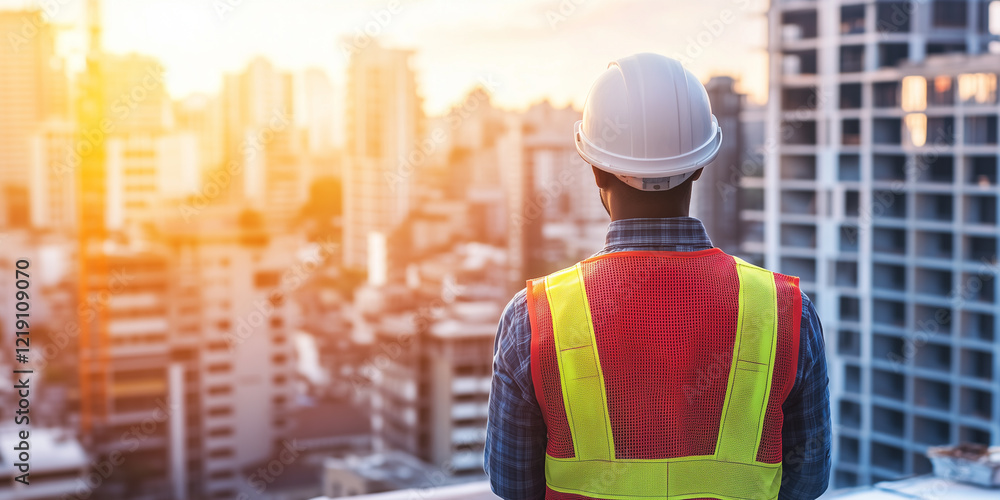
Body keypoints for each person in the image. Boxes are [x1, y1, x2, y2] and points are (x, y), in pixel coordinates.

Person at [484, 53, 831, 500]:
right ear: (702, 164)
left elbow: (512, 485)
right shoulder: (786, 312)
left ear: (594, 168)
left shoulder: (533, 318)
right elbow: (808, 480)